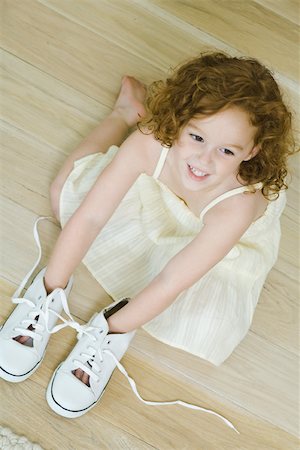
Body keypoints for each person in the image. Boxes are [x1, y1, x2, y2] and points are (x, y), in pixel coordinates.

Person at [0, 52, 296, 428]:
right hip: (160, 194)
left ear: (251, 151)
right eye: (197, 137)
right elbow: (91, 216)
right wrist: (51, 285)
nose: (204, 160)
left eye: (227, 150)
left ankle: (112, 334)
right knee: (66, 194)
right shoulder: (153, 140)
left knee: (196, 314)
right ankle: (124, 113)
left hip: (211, 232)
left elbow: (173, 280)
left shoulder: (240, 204)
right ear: (180, 121)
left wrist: (112, 329)